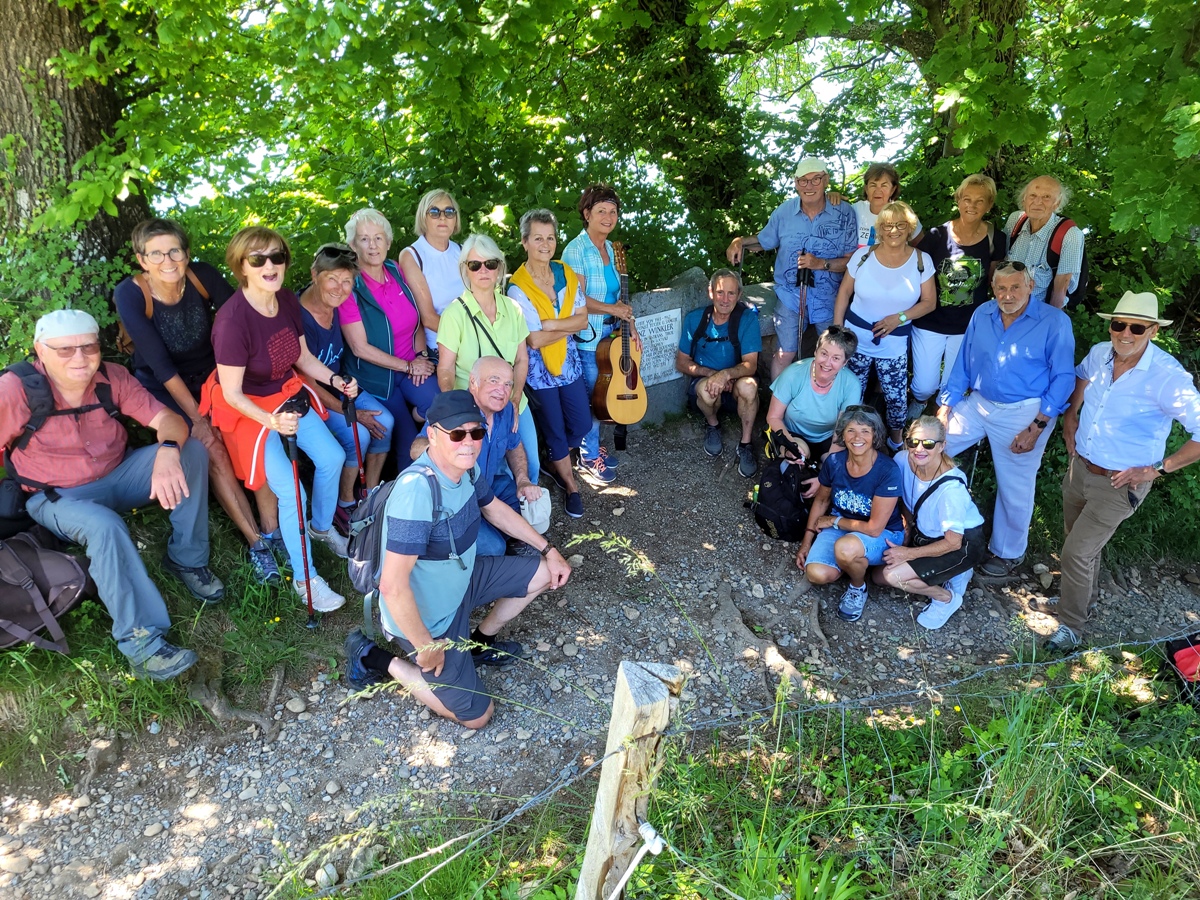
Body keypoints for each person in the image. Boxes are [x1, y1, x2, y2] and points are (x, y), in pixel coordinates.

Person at [0, 309, 222, 680]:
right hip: (57, 497)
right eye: (65, 349)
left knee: (192, 452)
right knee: (104, 526)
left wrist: (168, 450)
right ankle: (142, 644)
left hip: (119, 474)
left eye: (88, 347)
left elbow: (167, 420)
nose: (79, 357)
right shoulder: (14, 390)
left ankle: (187, 558)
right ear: (40, 350)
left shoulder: (112, 377)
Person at [342, 391, 572, 728]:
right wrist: (426, 647)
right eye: (456, 434)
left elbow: (494, 509)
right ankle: (372, 656)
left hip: (462, 581)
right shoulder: (417, 492)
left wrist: (549, 550)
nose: (468, 442)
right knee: (477, 716)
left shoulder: (466, 468)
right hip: (431, 618)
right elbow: (392, 586)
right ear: (432, 435)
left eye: (476, 432)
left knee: (543, 573)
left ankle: (478, 644)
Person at [113, 218, 281, 583]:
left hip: (212, 375)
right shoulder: (130, 294)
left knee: (252, 432)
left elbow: (242, 319)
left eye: (174, 250)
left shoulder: (201, 276)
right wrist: (198, 420)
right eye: (156, 254)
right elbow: (161, 367)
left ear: (187, 253)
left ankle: (273, 530)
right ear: (141, 260)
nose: (168, 260)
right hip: (164, 386)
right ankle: (257, 544)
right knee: (211, 447)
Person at [205, 226, 355, 612]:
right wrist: (270, 422)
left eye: (277, 256)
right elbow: (232, 393)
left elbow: (301, 357)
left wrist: (336, 380)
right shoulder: (232, 321)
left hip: (286, 395)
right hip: (249, 411)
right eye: (258, 259)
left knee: (333, 457)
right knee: (292, 492)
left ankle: (320, 529)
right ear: (241, 266)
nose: (270, 265)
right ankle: (306, 581)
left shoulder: (286, 300)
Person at [1047, 292, 1200, 652]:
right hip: (1081, 468)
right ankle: (1081, 598)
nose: (1125, 333)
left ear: (1153, 331)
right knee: (1078, 543)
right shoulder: (1100, 353)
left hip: (1119, 483)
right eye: (1119, 324)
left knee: (1077, 552)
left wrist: (1158, 470)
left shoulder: (1167, 377)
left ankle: (1071, 627)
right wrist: (1071, 415)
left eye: (1136, 327)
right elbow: (1081, 378)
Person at [938, 261, 1075, 579]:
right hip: (979, 403)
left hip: (1024, 410)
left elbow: (1064, 377)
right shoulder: (983, 313)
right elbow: (963, 364)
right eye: (1001, 288)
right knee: (928, 446)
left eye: (1015, 287)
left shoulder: (1054, 321)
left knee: (1015, 485)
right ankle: (916, 523)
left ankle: (1007, 553)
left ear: (1030, 286)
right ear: (993, 288)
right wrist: (945, 408)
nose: (1008, 294)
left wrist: (1038, 425)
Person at [725, 157, 858, 377]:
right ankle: (777, 400)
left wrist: (820, 264)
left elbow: (852, 261)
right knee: (784, 354)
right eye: (803, 180)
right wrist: (739, 241)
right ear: (796, 183)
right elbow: (764, 241)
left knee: (833, 355)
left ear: (826, 180)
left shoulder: (844, 212)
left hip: (829, 298)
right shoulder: (784, 212)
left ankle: (826, 397)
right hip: (790, 296)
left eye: (815, 179)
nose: (809, 186)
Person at [299, 243, 395, 534]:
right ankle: (345, 503)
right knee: (359, 436)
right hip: (310, 394)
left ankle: (368, 493)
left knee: (386, 421)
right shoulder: (299, 316)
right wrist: (350, 412)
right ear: (314, 274)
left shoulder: (339, 306)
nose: (340, 288)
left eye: (347, 281)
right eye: (332, 279)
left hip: (340, 384)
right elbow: (306, 380)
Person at [411, 357, 543, 555]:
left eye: (508, 384)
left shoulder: (506, 409)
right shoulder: (453, 408)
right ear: (473, 382)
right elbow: (415, 449)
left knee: (530, 504)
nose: (502, 390)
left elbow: (514, 445)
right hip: (454, 500)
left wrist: (523, 479)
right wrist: (452, 448)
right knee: (495, 548)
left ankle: (506, 538)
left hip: (488, 485)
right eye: (494, 381)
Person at [507, 209, 591, 517]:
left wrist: (551, 324)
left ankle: (555, 459)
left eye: (551, 238)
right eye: (538, 238)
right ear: (525, 242)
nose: (546, 244)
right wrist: (564, 326)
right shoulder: (517, 287)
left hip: (569, 364)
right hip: (538, 372)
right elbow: (533, 340)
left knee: (581, 424)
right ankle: (570, 485)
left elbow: (583, 321)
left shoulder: (566, 273)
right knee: (555, 430)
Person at [437, 233, 540, 485]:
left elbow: (521, 360)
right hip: (473, 404)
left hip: (510, 398)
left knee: (531, 466)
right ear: (466, 270)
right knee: (482, 472)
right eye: (475, 265)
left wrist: (515, 399)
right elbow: (446, 368)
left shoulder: (513, 309)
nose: (483, 270)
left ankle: (525, 506)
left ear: (499, 268)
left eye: (490, 264)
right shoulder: (454, 314)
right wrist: (455, 409)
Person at [833, 201, 936, 448]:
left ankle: (895, 444)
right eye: (888, 225)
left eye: (901, 225)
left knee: (896, 400)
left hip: (893, 343)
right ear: (880, 228)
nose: (894, 230)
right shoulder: (863, 256)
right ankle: (845, 442)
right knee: (850, 395)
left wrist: (899, 318)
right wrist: (837, 334)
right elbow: (844, 293)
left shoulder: (921, 260)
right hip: (855, 340)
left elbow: (929, 302)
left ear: (910, 228)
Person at [340, 208, 439, 461]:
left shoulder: (396, 269)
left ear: (388, 241)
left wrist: (421, 356)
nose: (373, 245)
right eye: (364, 239)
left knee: (439, 406)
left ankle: (443, 472)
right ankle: (409, 482)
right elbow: (359, 347)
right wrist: (408, 366)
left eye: (378, 238)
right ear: (353, 245)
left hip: (411, 364)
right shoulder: (350, 287)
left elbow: (417, 318)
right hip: (377, 377)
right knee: (407, 441)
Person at [874, 416, 987, 630]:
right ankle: (952, 573)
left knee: (892, 575)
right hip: (925, 535)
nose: (919, 449)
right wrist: (907, 524)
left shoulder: (951, 490)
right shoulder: (901, 460)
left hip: (961, 544)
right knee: (878, 577)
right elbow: (904, 498)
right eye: (913, 442)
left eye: (928, 444)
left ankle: (945, 598)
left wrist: (907, 554)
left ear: (942, 446)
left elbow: (953, 542)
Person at [795, 406, 904, 623]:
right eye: (851, 430)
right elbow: (822, 500)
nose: (857, 437)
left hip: (882, 534)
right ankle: (851, 563)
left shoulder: (887, 470)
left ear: (875, 435)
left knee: (846, 548)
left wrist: (834, 520)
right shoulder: (834, 462)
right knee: (816, 573)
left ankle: (857, 586)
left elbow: (874, 528)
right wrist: (806, 542)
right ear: (842, 435)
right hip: (841, 529)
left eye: (865, 431)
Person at [912, 175, 1009, 413]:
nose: (972, 205)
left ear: (989, 205)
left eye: (979, 201)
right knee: (924, 386)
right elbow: (916, 276)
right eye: (967, 199)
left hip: (967, 326)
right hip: (930, 321)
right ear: (958, 200)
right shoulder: (936, 236)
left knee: (950, 386)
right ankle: (920, 401)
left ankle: (941, 418)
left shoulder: (996, 238)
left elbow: (995, 282)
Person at [562, 184, 636, 483]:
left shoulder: (612, 249)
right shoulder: (575, 250)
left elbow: (621, 298)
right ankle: (588, 456)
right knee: (594, 399)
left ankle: (592, 449)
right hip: (588, 338)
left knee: (605, 396)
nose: (608, 217)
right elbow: (577, 299)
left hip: (612, 336)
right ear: (587, 214)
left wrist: (630, 325)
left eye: (613, 211)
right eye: (601, 211)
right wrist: (613, 309)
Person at [674, 269, 762, 478]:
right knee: (705, 391)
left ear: (739, 295)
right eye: (720, 292)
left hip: (736, 383)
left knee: (749, 387)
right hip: (707, 383)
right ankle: (713, 424)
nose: (725, 299)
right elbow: (681, 362)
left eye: (731, 293)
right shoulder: (695, 319)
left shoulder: (747, 319)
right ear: (711, 292)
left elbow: (751, 365)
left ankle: (746, 443)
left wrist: (726, 375)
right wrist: (713, 374)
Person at [766, 325, 861, 475]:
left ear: (844, 363)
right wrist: (791, 445)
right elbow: (773, 417)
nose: (827, 363)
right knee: (794, 464)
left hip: (828, 437)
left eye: (836, 358)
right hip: (793, 434)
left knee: (837, 472)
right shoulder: (793, 374)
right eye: (824, 353)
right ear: (816, 351)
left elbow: (842, 429)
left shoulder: (852, 385)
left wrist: (827, 471)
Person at [398, 188, 465, 352]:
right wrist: (469, 338)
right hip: (442, 346)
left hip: (475, 338)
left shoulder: (464, 251)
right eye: (434, 212)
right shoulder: (412, 256)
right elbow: (428, 318)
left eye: (449, 212)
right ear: (423, 217)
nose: (443, 217)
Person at [1003, 175, 1084, 308]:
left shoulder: (1070, 234)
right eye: (1032, 195)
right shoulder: (1015, 220)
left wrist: (1050, 319)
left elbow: (1061, 288)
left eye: (1046, 197)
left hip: (1039, 312)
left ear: (1056, 203)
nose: (1037, 202)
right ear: (1024, 200)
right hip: (1005, 307)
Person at [835, 162, 923, 248]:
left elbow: (921, 245)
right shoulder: (855, 209)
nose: (878, 190)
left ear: (892, 190)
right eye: (873, 185)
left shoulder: (903, 213)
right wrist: (831, 197)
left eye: (884, 186)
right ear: (866, 189)